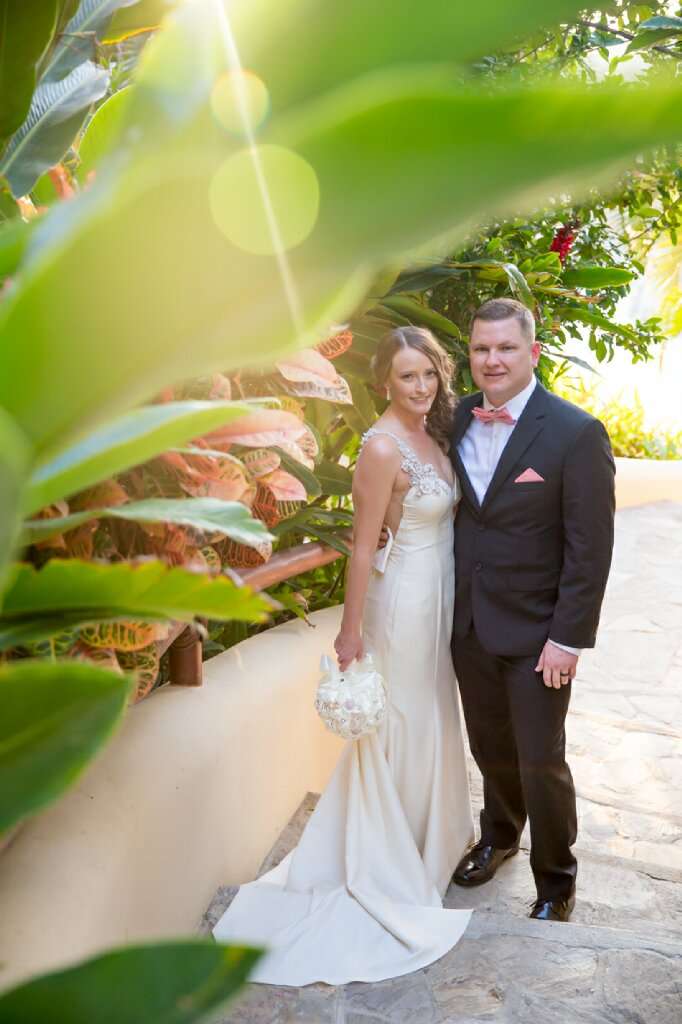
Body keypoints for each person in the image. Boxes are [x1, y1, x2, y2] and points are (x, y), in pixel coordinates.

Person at [212, 326, 474, 985]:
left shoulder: (434, 433)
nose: (421, 386)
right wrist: (351, 631)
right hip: (404, 601)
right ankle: (392, 855)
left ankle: (431, 842)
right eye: (407, 376)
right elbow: (361, 547)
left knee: (432, 712)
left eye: (429, 373)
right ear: (383, 381)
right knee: (403, 718)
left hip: (440, 594)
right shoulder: (382, 446)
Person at [449, 297, 615, 922]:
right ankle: (498, 836)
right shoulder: (455, 418)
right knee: (488, 744)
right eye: (481, 348)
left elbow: (590, 548)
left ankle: (556, 880)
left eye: (505, 348)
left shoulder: (576, 433)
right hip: (469, 623)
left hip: (540, 634)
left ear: (533, 352)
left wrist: (567, 639)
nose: (492, 360)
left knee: (541, 758)